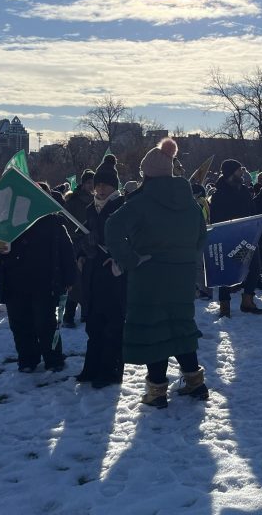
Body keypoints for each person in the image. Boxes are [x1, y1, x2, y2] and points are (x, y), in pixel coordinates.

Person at [106, 138, 209, 408]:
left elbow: (112, 229)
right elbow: (201, 237)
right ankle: (196, 383)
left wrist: (130, 260)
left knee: (155, 331)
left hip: (149, 275)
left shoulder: (141, 202)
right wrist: (187, 260)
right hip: (183, 278)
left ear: (147, 174)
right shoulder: (192, 204)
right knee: (181, 327)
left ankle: (156, 392)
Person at [0, 184, 76, 373]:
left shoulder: (54, 222)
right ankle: (27, 359)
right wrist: (0, 250)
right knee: (20, 324)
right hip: (15, 282)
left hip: (45, 282)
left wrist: (69, 278)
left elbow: (67, 251)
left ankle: (53, 358)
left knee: (45, 323)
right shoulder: (10, 221)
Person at [75, 155, 128, 387]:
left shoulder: (122, 207)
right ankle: (92, 367)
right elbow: (81, 236)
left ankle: (111, 371)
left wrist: (118, 259)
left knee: (113, 325)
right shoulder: (90, 209)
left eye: (105, 184)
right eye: (97, 184)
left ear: (114, 186)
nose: (100, 188)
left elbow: (133, 240)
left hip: (114, 277)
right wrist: (81, 253)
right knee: (93, 325)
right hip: (93, 275)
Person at [209, 158, 262, 317]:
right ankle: (224, 306)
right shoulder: (219, 194)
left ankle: (247, 301)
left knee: (255, 268)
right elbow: (216, 220)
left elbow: (252, 211)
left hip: (247, 238)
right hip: (228, 238)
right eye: (239, 170)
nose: (242, 172)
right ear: (230, 172)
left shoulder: (244, 191)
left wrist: (256, 223)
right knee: (225, 272)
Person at [61, 169, 95, 328]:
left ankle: (86, 314)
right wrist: (76, 236)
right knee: (77, 281)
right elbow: (65, 222)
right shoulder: (73, 201)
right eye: (88, 183)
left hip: (90, 244)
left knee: (89, 280)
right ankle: (69, 316)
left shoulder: (95, 200)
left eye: (93, 183)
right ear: (83, 183)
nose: (91, 186)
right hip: (76, 245)